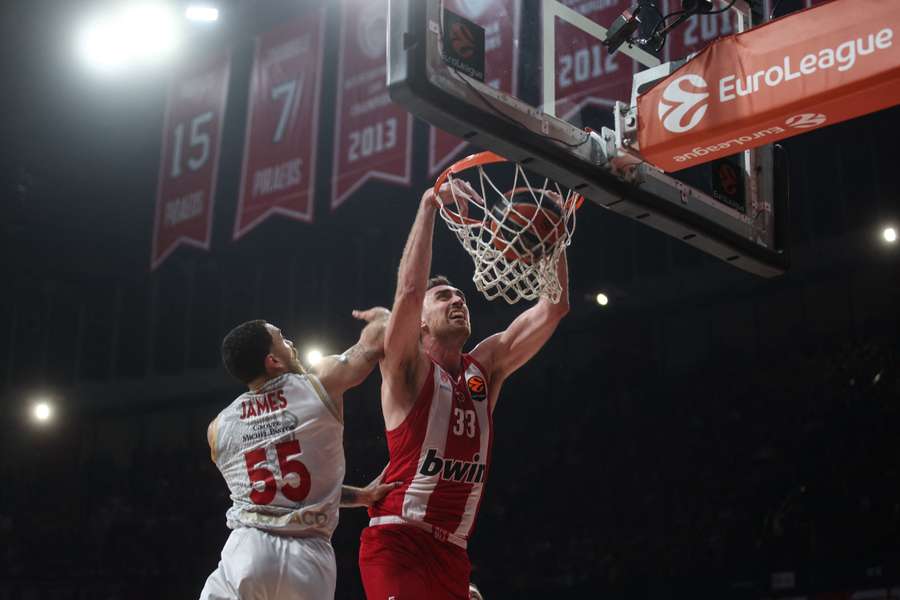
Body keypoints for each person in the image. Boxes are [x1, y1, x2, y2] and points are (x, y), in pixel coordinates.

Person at [358, 182, 571, 599]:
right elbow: (409, 291)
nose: (458, 300)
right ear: (420, 321)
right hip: (399, 539)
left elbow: (554, 306)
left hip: (453, 552)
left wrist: (556, 236)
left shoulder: (485, 368)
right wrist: (428, 206)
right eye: (444, 297)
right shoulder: (407, 368)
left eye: (460, 295)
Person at [200, 309, 401, 600]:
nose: (290, 343)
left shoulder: (218, 429)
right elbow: (377, 341)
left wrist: (361, 496)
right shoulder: (320, 384)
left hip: (248, 550)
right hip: (308, 560)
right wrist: (384, 315)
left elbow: (278, 485)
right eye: (282, 339)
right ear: (274, 361)